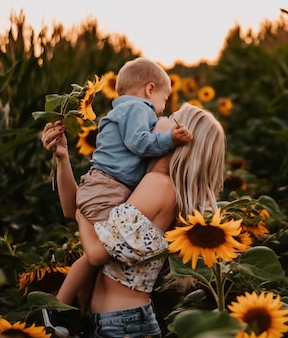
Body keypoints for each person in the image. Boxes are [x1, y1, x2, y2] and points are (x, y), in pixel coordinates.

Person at [41, 102, 226, 338]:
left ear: (182, 137)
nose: (157, 117)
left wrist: (81, 214)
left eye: (171, 116)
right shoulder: (148, 180)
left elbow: (96, 250)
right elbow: (74, 209)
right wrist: (62, 157)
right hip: (116, 322)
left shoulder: (158, 186)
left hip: (121, 325)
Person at [51, 58, 193, 318]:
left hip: (103, 185)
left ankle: (74, 312)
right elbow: (140, 142)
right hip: (107, 187)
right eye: (164, 101)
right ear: (149, 90)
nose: (161, 112)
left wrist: (81, 209)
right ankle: (57, 308)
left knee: (91, 255)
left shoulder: (156, 184)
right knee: (90, 258)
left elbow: (78, 214)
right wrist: (169, 138)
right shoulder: (138, 109)